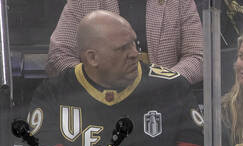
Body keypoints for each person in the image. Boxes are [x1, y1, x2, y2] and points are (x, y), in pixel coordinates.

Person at [26, 10, 204, 146]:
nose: (135, 53)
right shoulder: (52, 95)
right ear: (92, 57)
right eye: (122, 48)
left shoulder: (172, 88)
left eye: (134, 43)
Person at [48, 0, 204, 86]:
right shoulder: (83, 2)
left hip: (166, 103)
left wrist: (167, 83)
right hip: (99, 105)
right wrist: (95, 85)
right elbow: (59, 55)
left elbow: (198, 57)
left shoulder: (179, 2)